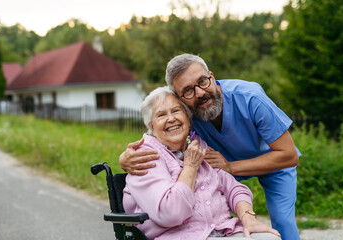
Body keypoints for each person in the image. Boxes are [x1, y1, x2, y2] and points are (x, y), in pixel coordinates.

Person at [120, 54, 301, 240]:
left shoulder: (250, 97)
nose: (199, 93)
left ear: (212, 77)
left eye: (203, 81)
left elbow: (289, 155)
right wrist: (124, 159)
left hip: (272, 161)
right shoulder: (190, 114)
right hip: (220, 167)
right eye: (188, 90)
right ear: (182, 98)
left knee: (283, 222)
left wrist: (246, 213)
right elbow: (161, 134)